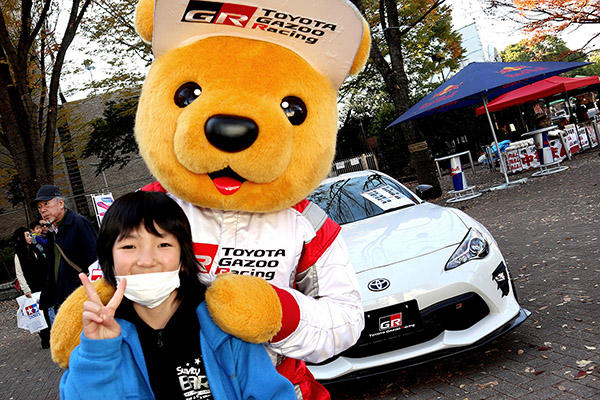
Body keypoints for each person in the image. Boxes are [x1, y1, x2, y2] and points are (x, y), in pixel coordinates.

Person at [59, 191, 296, 400]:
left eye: (163, 245)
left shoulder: (224, 325)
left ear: (184, 257)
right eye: (129, 247)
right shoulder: (98, 340)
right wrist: (98, 353)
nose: (146, 261)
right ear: (109, 260)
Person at [34, 185, 97, 322]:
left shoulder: (79, 223)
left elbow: (95, 260)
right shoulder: (52, 231)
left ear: (61, 203)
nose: (43, 210)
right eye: (39, 207)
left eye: (46, 204)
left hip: (80, 296)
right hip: (59, 299)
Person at [12, 226, 51, 348]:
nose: (30, 237)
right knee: (40, 313)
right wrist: (26, 289)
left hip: (43, 284)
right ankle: (45, 338)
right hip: (33, 287)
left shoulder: (35, 249)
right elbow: (19, 274)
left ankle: (50, 335)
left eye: (30, 234)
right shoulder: (19, 254)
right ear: (21, 238)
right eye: (27, 235)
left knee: (47, 311)